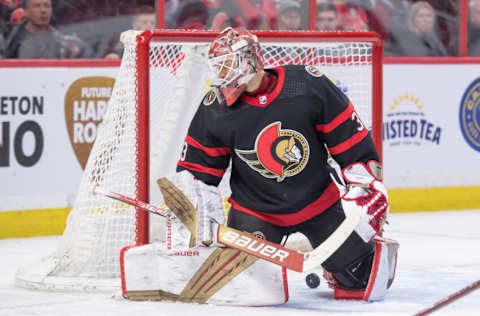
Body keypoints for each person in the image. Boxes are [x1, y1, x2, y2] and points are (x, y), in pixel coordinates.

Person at [175, 27, 398, 301]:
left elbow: (350, 140)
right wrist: (199, 205)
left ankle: (358, 257)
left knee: (359, 282)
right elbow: (198, 171)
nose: (221, 75)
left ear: (250, 60)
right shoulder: (215, 107)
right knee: (247, 292)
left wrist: (365, 188)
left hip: (319, 205)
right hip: (256, 211)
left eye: (226, 65)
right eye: (217, 68)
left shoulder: (307, 85)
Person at [4, 0, 92, 58]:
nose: (43, 10)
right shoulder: (14, 42)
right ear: (25, 12)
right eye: (37, 6)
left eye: (47, 6)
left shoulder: (65, 42)